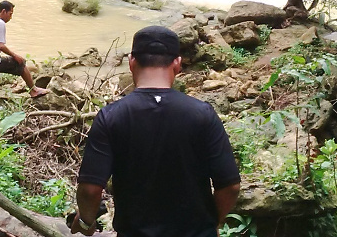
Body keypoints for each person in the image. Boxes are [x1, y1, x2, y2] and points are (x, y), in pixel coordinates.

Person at [71, 25, 241, 237]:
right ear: (177, 63)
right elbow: (230, 187)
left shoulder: (111, 117)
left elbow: (90, 190)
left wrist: (87, 223)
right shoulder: (203, 114)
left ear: (131, 62)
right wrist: (210, 223)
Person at [0, 0, 49, 98]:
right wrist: (15, 56)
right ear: (3, 11)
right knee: (20, 63)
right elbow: (0, 46)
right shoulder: (0, 23)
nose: (11, 17)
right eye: (10, 14)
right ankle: (33, 90)